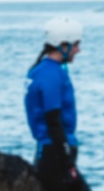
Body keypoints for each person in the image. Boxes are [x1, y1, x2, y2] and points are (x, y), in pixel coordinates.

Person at [23, 16, 92, 191]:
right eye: (75, 45)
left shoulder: (41, 70)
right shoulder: (50, 75)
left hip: (50, 151)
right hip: (54, 153)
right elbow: (53, 119)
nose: (79, 50)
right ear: (63, 45)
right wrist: (66, 159)